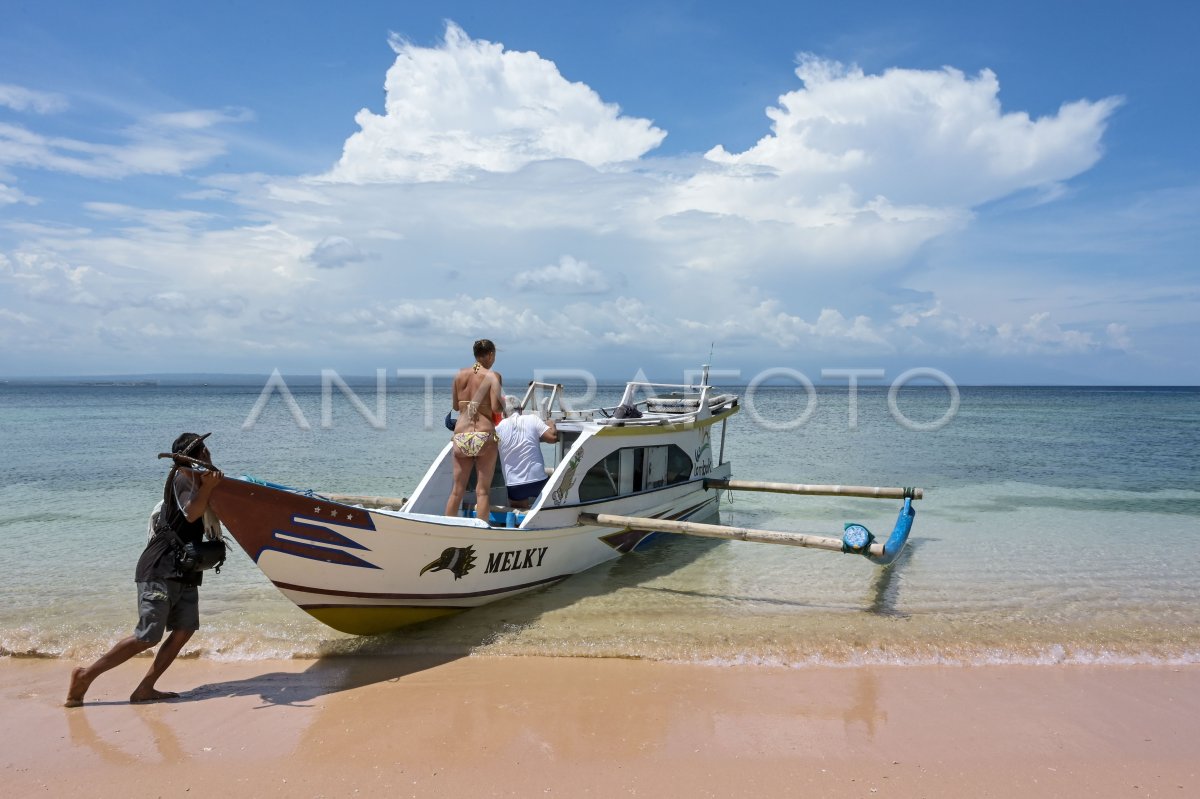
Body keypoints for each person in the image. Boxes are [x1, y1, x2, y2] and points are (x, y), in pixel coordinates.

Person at [65, 432, 224, 707]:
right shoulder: (182, 478)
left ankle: (145, 688)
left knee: (185, 629)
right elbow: (191, 513)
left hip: (184, 569)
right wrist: (209, 488)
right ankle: (84, 676)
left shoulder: (197, 480)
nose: (209, 456)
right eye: (205, 452)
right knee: (147, 636)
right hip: (160, 568)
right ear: (196, 456)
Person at [444, 339, 505, 520]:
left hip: (461, 435)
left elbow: (455, 406)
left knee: (457, 491)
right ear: (491, 354)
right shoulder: (493, 376)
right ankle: (480, 532)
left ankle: (448, 529)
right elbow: (495, 408)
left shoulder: (459, 375)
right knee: (482, 491)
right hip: (483, 434)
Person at [496, 395, 558, 509]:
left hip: (515, 485)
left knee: (518, 510)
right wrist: (551, 424)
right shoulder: (532, 419)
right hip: (538, 481)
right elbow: (552, 438)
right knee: (545, 503)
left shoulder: (499, 428)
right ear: (520, 410)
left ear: (503, 413)